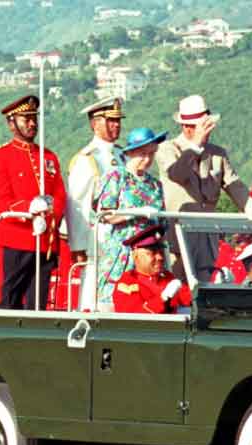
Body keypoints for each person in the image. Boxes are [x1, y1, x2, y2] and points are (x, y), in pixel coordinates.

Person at [156, 94, 250, 281]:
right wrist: (195, 146)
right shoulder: (167, 149)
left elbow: (236, 187)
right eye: (204, 127)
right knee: (178, 288)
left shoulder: (217, 154)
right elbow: (177, 174)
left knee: (206, 289)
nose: (208, 132)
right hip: (179, 240)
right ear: (186, 127)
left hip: (207, 240)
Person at [0, 94, 66, 310]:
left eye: (34, 118)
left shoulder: (48, 157)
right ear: (11, 123)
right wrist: (28, 211)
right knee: (9, 300)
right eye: (26, 118)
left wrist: (51, 219)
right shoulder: (0, 157)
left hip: (45, 241)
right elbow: (0, 201)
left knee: (38, 304)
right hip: (16, 239)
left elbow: (59, 194)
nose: (32, 123)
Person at [93, 127, 167, 310]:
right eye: (143, 154)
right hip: (123, 250)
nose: (148, 159)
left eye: (151, 154)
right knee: (117, 300)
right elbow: (106, 215)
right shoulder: (117, 176)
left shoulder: (155, 184)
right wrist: (136, 211)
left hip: (149, 251)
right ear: (130, 153)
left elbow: (164, 221)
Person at [66, 97, 126, 312]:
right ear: (94, 123)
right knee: (93, 295)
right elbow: (77, 206)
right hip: (98, 237)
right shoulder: (86, 159)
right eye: (110, 121)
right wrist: (78, 245)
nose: (116, 125)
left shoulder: (124, 155)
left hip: (124, 237)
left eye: (118, 120)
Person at [112, 225, 192, 314]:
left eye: (161, 252)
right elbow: (134, 318)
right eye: (152, 253)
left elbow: (189, 297)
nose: (160, 257)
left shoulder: (167, 277)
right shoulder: (127, 283)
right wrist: (163, 298)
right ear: (136, 256)